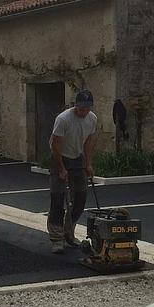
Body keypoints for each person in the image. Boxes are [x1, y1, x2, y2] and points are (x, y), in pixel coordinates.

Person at [48, 89, 97, 253]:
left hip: (77, 158)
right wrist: (61, 168)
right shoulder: (63, 119)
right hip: (59, 157)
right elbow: (55, 145)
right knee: (58, 199)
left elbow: (89, 142)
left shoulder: (92, 118)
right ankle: (57, 239)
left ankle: (69, 232)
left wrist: (88, 163)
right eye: (82, 108)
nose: (84, 111)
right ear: (76, 105)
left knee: (81, 198)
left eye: (87, 108)